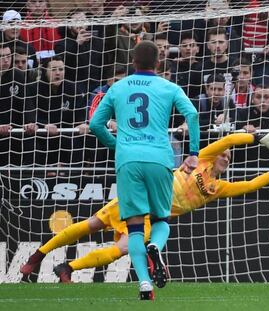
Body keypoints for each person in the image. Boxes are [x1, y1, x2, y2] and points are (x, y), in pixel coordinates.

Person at [20, 130, 269, 284]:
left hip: (149, 214)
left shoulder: (218, 188)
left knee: (120, 250)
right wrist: (256, 139)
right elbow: (229, 139)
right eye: (224, 154)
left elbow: (250, 185)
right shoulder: (201, 159)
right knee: (93, 224)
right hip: (141, 194)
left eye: (229, 157)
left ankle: (67, 266)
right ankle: (38, 255)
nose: (226, 156)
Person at [89, 40, 200, 300]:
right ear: (158, 63)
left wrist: (117, 146)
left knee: (134, 226)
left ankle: (144, 285)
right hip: (160, 158)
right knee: (161, 219)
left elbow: (95, 124)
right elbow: (192, 114)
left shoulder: (117, 88)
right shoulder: (169, 87)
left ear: (133, 63)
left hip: (128, 160)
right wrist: (193, 153)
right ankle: (156, 246)